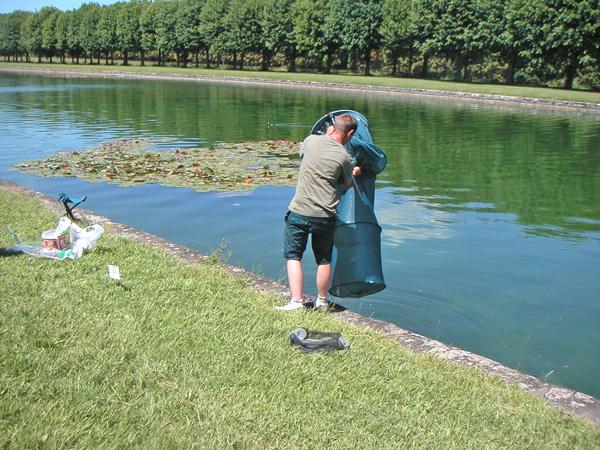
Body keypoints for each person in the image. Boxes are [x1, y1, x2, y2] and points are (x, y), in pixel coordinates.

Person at [277, 113, 361, 311]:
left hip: (299, 211)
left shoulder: (310, 141)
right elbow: (346, 184)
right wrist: (354, 173)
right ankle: (322, 301)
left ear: (332, 127)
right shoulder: (344, 157)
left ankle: (296, 301)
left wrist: (327, 134)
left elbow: (303, 155)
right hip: (325, 216)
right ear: (350, 132)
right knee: (323, 259)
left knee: (294, 256)